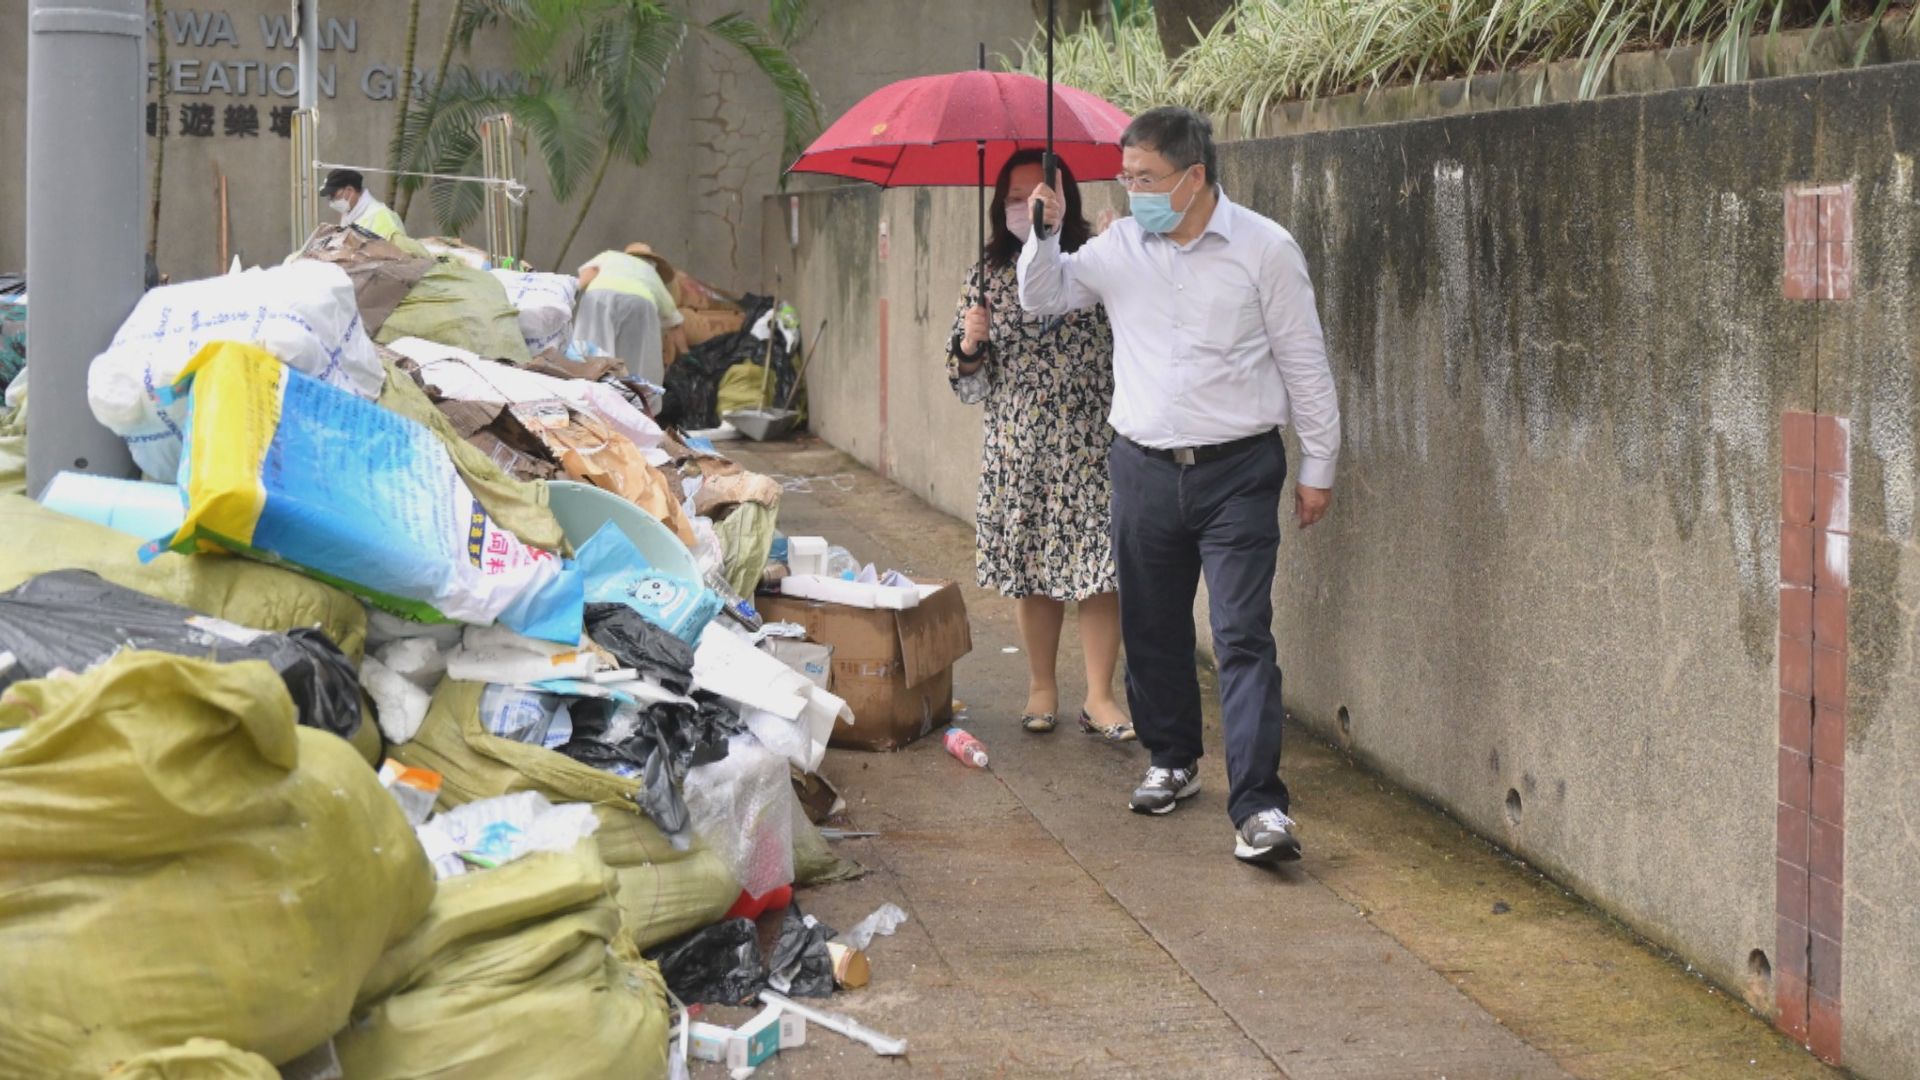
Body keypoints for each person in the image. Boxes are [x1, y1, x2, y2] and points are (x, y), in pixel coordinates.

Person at [1018, 107, 1341, 865]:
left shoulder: (1264, 248)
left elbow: (1303, 359)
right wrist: (1045, 233)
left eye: (1145, 178)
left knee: (1240, 632)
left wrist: (1319, 466)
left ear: (1194, 177)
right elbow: (1043, 296)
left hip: (1238, 469)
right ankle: (1172, 760)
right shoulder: (1119, 247)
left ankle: (1259, 807)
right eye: (1125, 178)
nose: (1132, 193)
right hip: (1142, 467)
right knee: (1154, 626)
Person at [949, 149, 1133, 743]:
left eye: (1037, 196)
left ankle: (1100, 696)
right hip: (1020, 448)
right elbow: (966, 384)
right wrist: (971, 346)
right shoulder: (985, 276)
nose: (1025, 207)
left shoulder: (1093, 261)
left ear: (1062, 199)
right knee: (1033, 569)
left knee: (1100, 569)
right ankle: (1041, 686)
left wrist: (1123, 245)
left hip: (1092, 442)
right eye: (1014, 197)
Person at [575, 246, 688, 384]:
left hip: (599, 295)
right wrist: (686, 355)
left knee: (590, 347)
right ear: (652, 263)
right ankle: (630, 390)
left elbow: (587, 276)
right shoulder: (651, 273)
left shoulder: (609, 256)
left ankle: (585, 384)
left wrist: (568, 296)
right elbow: (674, 322)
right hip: (638, 302)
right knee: (635, 358)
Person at [320, 169, 407, 241]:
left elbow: (399, 254)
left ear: (350, 190)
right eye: (329, 197)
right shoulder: (349, 214)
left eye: (333, 196)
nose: (331, 202)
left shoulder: (384, 217)